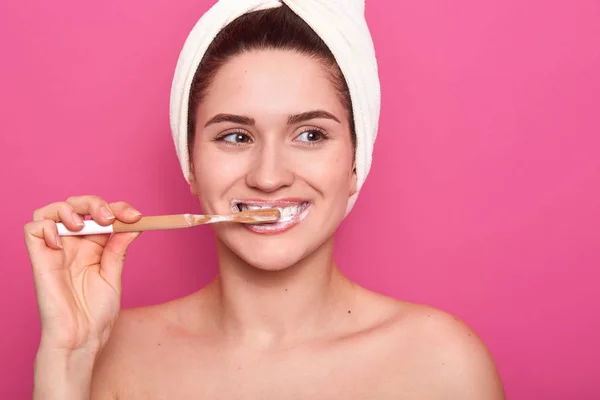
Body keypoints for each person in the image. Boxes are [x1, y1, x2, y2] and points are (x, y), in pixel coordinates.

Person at [25, 2, 505, 399]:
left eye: (311, 134)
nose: (269, 177)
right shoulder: (108, 355)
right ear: (190, 162)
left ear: (358, 160)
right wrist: (68, 359)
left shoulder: (440, 365)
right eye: (235, 136)